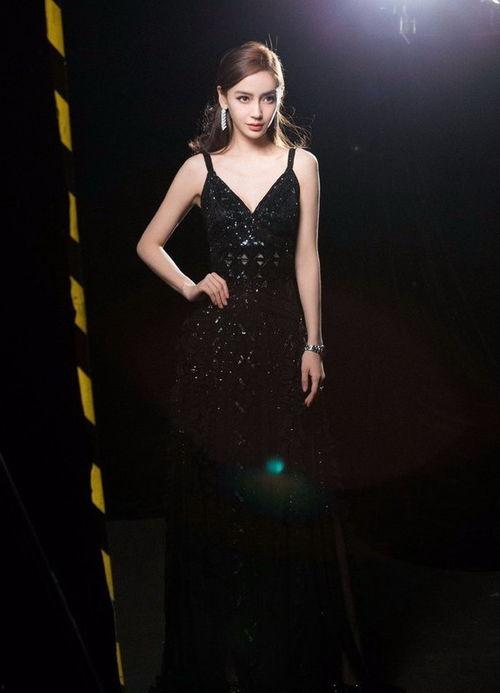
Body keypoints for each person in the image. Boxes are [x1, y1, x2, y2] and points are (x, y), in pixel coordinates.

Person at [136, 40, 403, 693]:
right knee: (219, 497)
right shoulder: (199, 169)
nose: (257, 110)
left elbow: (308, 257)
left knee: (285, 498)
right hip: (216, 354)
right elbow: (148, 243)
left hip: (283, 345)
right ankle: (228, 658)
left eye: (267, 97)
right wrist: (192, 285)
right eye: (244, 98)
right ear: (222, 100)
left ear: (279, 97)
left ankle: (287, 657)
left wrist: (315, 344)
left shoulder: (302, 164)